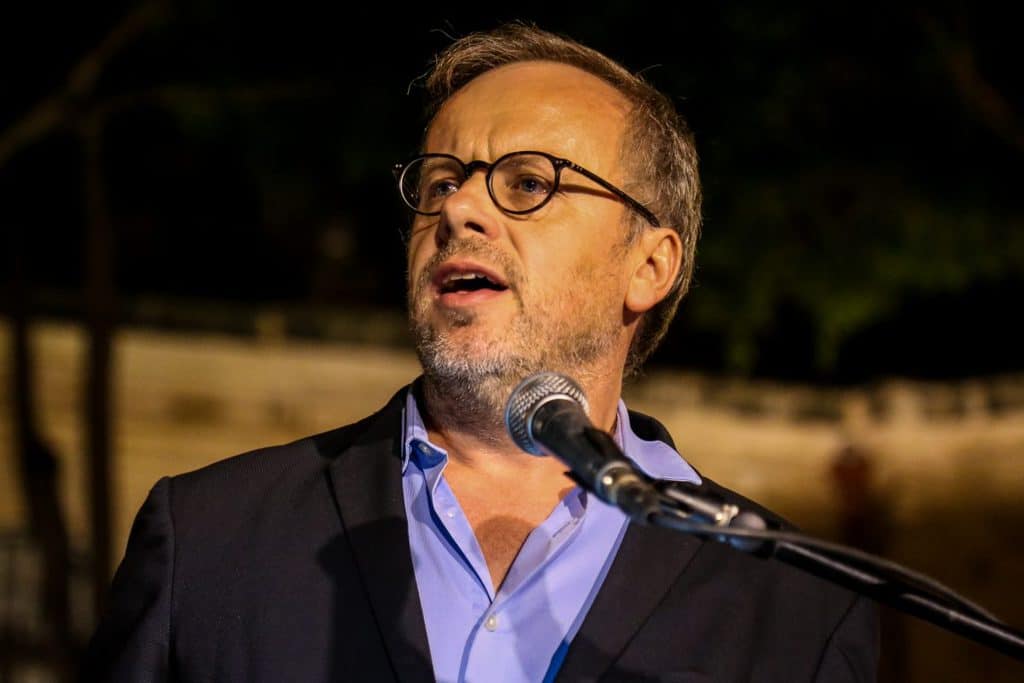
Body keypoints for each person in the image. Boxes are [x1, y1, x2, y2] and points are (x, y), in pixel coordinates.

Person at [81, 23, 878, 682]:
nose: (460, 208)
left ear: (648, 265)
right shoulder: (210, 539)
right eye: (440, 182)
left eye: (529, 182)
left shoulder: (796, 602)